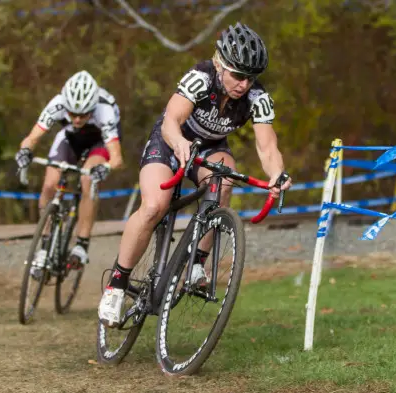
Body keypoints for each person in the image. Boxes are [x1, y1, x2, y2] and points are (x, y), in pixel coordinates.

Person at [98, 23, 293, 327]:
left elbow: (267, 148)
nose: (244, 84)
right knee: (153, 207)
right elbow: (171, 121)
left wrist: (278, 174)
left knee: (225, 179)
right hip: (170, 139)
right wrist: (179, 144)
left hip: (211, 146)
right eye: (237, 75)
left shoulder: (258, 97)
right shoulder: (201, 77)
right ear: (220, 64)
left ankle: (196, 265)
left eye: (250, 77)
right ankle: (117, 285)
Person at [15, 70, 124, 275]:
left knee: (87, 178)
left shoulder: (105, 110)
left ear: (92, 108)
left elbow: (117, 159)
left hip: (99, 142)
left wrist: (105, 167)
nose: (76, 119)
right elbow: (31, 138)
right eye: (72, 113)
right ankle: (44, 248)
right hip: (69, 139)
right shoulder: (57, 103)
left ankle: (81, 244)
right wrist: (24, 152)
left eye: (83, 114)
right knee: (49, 185)